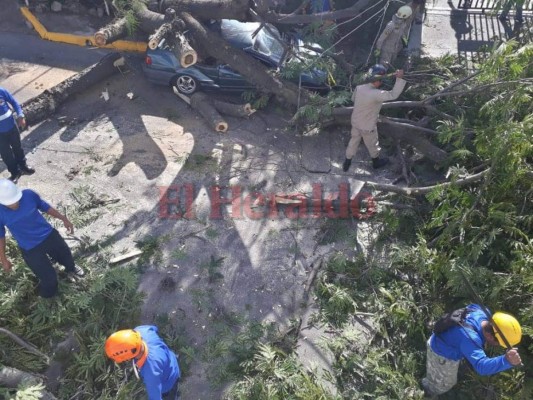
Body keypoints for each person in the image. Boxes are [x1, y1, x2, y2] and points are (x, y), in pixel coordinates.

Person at [0, 179, 84, 298]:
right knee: (49, 279)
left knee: (66, 256)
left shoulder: (29, 195)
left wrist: (63, 218)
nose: (15, 204)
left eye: (16, 200)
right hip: (30, 248)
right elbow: (1, 237)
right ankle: (48, 299)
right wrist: (3, 259)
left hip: (48, 235)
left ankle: (71, 268)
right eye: (10, 203)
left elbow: (45, 207)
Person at [422, 304, 522, 397]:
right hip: (441, 353)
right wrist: (506, 361)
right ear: (490, 336)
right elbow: (482, 367)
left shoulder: (482, 311)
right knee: (444, 385)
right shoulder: (470, 339)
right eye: (499, 344)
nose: (499, 346)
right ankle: (428, 391)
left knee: (464, 346)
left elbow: (470, 306)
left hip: (448, 337)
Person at [342, 65, 406, 171]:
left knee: (353, 142)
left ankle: (346, 163)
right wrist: (399, 78)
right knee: (372, 144)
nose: (381, 83)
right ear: (377, 80)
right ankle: (376, 162)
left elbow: (353, 99)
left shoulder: (360, 87)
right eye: (380, 81)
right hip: (367, 127)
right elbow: (393, 95)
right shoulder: (376, 94)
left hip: (356, 122)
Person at [105, 326, 181, 400]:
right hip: (170, 359)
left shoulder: (151, 373)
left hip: (169, 381)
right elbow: (154, 328)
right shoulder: (142, 331)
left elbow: (155, 398)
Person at [0, 87, 35, 182]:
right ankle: (15, 172)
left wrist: (21, 115)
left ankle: (23, 166)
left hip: (12, 126)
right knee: (6, 154)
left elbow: (14, 103)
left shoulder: (2, 91)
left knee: (17, 147)